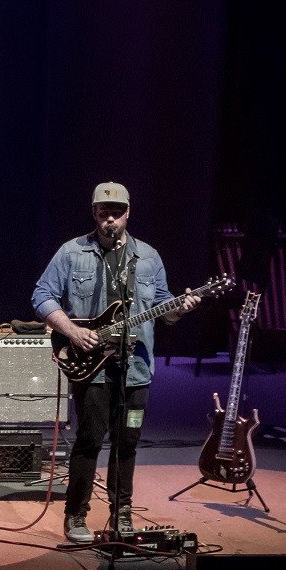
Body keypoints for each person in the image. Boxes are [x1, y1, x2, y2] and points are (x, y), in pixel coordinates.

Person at [32, 182, 198, 543]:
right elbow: (41, 295)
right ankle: (76, 515)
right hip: (90, 365)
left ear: (128, 213)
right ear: (94, 213)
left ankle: (122, 514)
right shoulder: (72, 252)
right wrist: (72, 331)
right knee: (89, 440)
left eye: (117, 212)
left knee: (128, 441)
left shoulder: (148, 257)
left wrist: (180, 309)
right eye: (104, 212)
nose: (111, 219)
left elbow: (164, 308)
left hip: (135, 369)